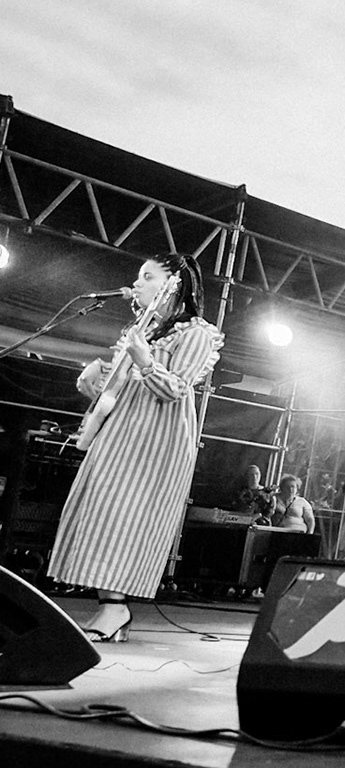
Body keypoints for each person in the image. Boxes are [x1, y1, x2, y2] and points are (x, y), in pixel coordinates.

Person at [48, 253, 224, 642]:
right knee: (99, 511)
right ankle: (109, 607)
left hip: (156, 438)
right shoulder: (142, 329)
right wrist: (97, 381)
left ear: (174, 283)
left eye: (148, 277)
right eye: (138, 277)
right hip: (122, 431)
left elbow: (174, 388)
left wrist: (145, 359)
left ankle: (116, 608)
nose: (138, 284)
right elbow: (120, 387)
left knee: (125, 517)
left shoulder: (196, 332)